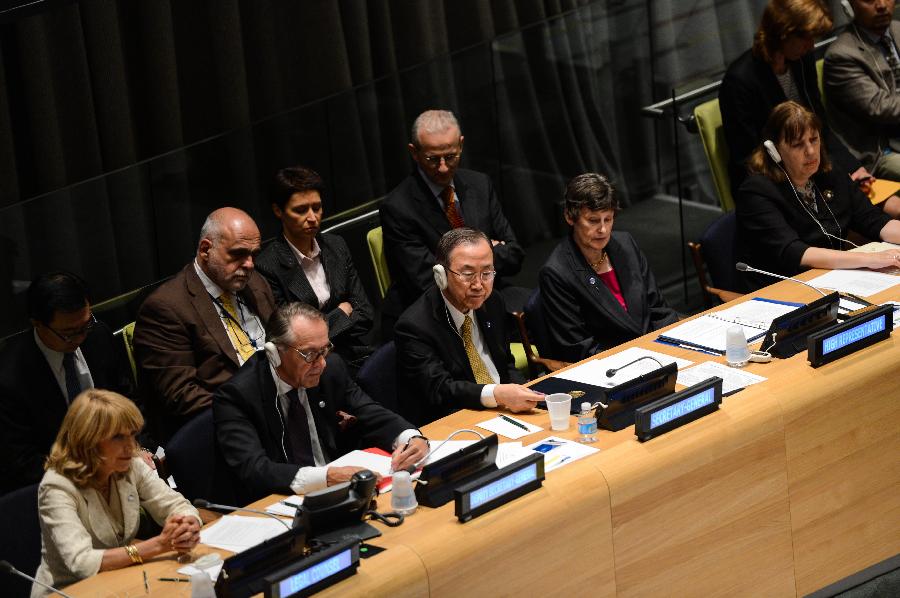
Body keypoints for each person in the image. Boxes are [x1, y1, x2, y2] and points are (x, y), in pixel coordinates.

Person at [213, 302, 428, 503]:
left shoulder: (330, 369)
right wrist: (325, 477)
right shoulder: (237, 396)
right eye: (309, 354)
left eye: (324, 349)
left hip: (346, 493)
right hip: (284, 501)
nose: (321, 363)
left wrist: (412, 438)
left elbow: (370, 412)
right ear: (274, 353)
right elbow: (254, 469)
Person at [32, 390, 200, 597]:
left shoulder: (131, 466)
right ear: (89, 441)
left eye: (132, 435)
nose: (131, 447)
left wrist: (186, 525)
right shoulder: (57, 487)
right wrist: (158, 545)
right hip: (70, 590)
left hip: (120, 580)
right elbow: (81, 562)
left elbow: (176, 505)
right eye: (118, 437)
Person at [133, 207, 276, 442]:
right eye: (238, 254)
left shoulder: (255, 283)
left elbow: (282, 341)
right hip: (225, 428)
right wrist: (254, 408)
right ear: (205, 249)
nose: (249, 264)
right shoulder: (165, 307)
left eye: (253, 254)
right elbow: (182, 395)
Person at [379, 109, 525, 335]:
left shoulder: (480, 185)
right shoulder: (398, 207)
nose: (443, 167)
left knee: (542, 305)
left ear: (461, 145)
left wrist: (462, 269)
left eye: (450, 156)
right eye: (432, 159)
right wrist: (488, 255)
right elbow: (427, 279)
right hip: (437, 310)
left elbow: (515, 254)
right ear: (414, 152)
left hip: (489, 295)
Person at [736, 101, 900, 291]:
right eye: (798, 145)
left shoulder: (829, 174)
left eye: (814, 140)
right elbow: (795, 253)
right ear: (775, 151)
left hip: (833, 279)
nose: (811, 151)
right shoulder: (756, 193)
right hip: (783, 290)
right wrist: (870, 259)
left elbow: (873, 220)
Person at [0, 271, 135, 495]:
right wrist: (90, 472)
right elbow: (23, 463)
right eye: (69, 333)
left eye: (85, 325)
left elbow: (127, 397)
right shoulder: (11, 380)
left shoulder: (98, 336)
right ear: (38, 324)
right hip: (62, 486)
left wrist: (138, 447)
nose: (81, 338)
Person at [395, 228, 541, 426]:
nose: (479, 285)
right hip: (460, 418)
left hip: (508, 411)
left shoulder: (493, 301)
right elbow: (440, 390)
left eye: (487, 273)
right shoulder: (414, 326)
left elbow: (506, 363)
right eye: (468, 273)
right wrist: (496, 394)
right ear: (441, 275)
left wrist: (523, 389)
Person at [719, 0, 867, 195]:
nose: (811, 45)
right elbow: (750, 158)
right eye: (806, 38)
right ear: (783, 33)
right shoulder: (740, 81)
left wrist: (853, 168)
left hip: (810, 165)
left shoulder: (801, 60)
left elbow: (820, 126)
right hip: (772, 183)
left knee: (879, 201)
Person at [538, 174, 679, 362]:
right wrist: (640, 360)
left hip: (656, 352)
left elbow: (658, 309)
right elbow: (579, 348)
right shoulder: (557, 273)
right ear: (570, 217)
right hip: (614, 366)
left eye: (608, 219)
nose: (603, 229)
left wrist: (675, 344)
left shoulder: (625, 244)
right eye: (593, 220)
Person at [255, 166, 374, 372]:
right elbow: (292, 340)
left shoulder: (336, 245)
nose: (312, 217)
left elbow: (365, 313)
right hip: (308, 368)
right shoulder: (267, 266)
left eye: (317, 208)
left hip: (356, 354)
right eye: (300, 210)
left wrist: (324, 330)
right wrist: (342, 312)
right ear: (278, 211)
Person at [825, 0, 900, 183]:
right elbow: (882, 108)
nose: (881, 5)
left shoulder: (897, 29)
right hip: (884, 149)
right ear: (850, 4)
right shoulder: (841, 55)